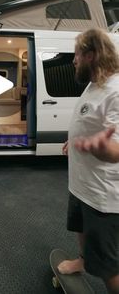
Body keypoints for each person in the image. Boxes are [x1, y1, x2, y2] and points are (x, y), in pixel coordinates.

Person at [58, 28, 119, 294]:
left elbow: (116, 148)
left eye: (77, 55)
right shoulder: (94, 84)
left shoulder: (116, 90)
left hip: (102, 195)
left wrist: (104, 149)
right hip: (81, 184)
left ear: (92, 55)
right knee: (80, 228)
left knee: (109, 265)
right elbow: (88, 121)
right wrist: (75, 140)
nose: (73, 60)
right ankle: (82, 262)